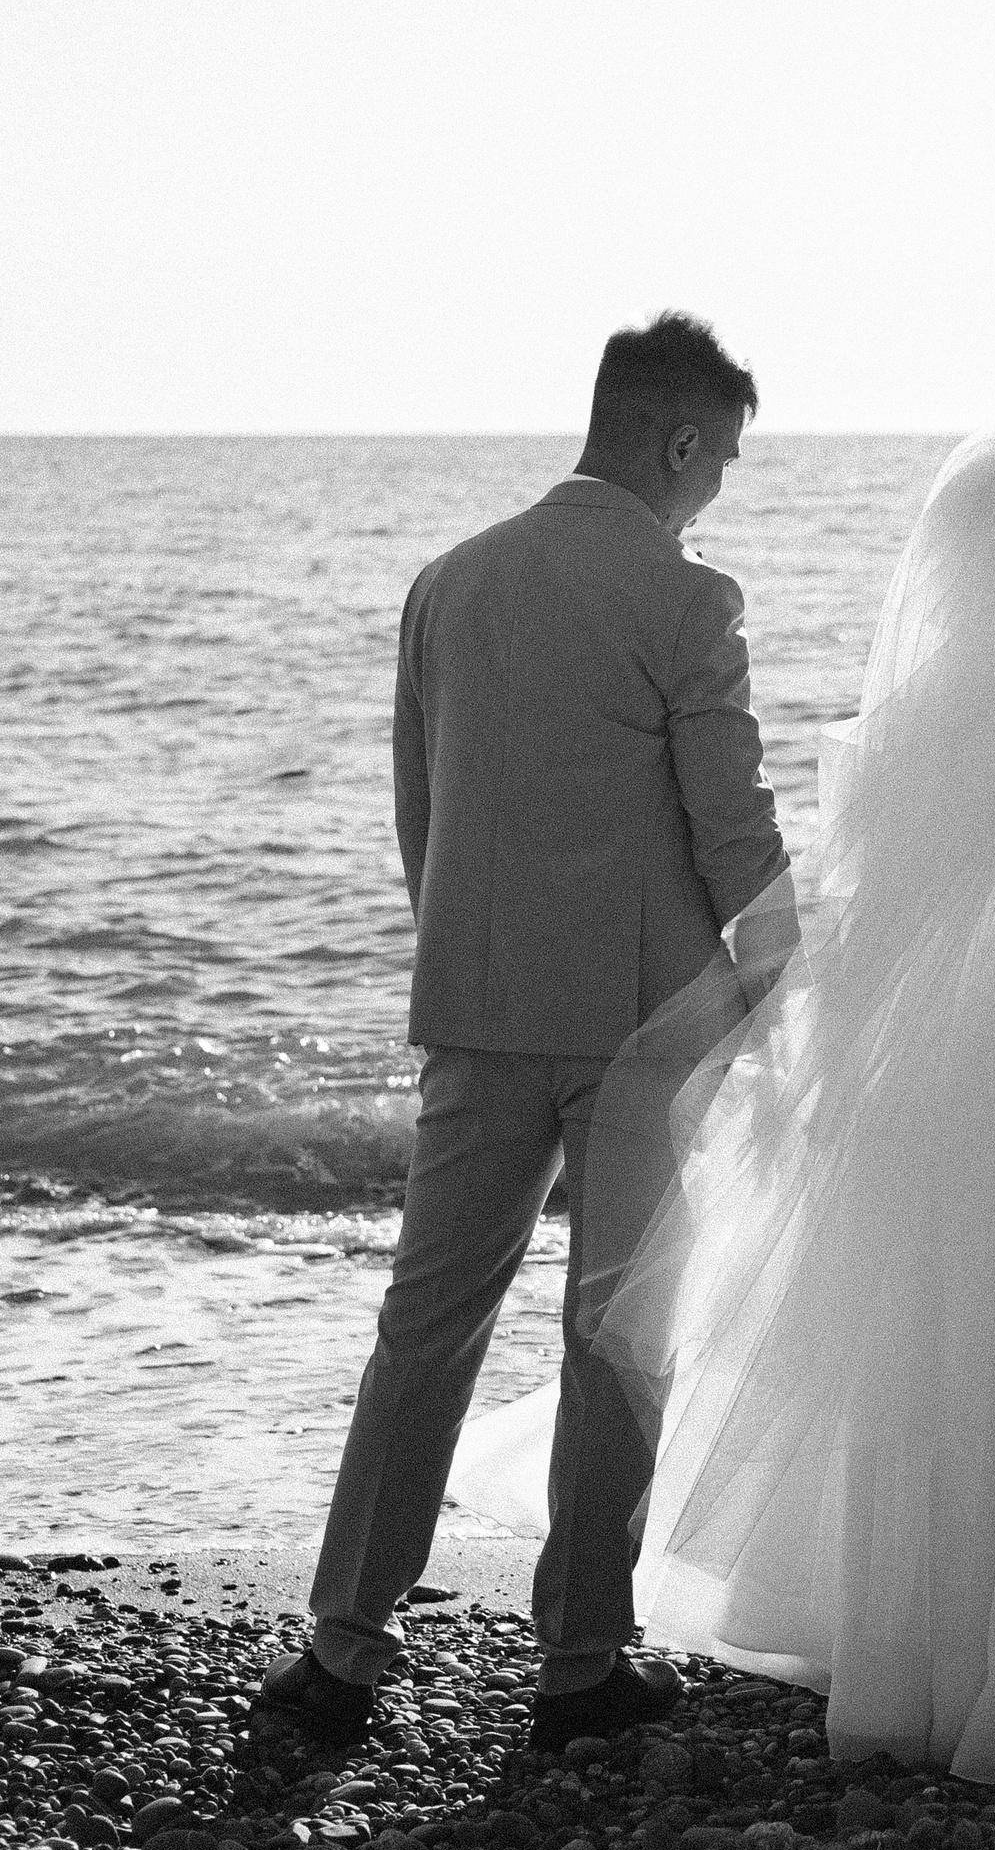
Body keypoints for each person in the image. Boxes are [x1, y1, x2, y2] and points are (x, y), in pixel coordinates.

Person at [455, 431, 995, 1783]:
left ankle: (928, 1651)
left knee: (956, 1314)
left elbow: (881, 898)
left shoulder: (926, 698)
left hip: (970, 1017)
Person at [256, 311, 795, 1752]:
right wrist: (790, 987)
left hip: (477, 1012)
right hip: (644, 1032)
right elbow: (734, 826)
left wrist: (473, 964)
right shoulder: (689, 601)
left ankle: (342, 1651)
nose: (717, 489)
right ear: (678, 441)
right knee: (616, 1335)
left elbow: (420, 818)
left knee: (425, 1325)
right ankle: (578, 1665)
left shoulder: (448, 585)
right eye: (722, 461)